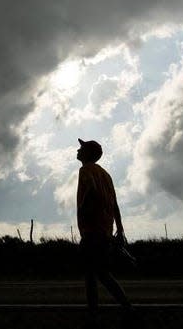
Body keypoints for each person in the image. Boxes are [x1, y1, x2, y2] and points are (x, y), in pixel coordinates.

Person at [76, 138, 133, 325]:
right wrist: (120, 228)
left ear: (88, 154)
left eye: (81, 148)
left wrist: (83, 208)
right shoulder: (106, 175)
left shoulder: (85, 170)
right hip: (105, 231)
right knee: (102, 273)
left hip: (92, 231)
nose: (78, 150)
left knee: (92, 275)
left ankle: (93, 314)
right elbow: (115, 205)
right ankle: (126, 307)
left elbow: (91, 190)